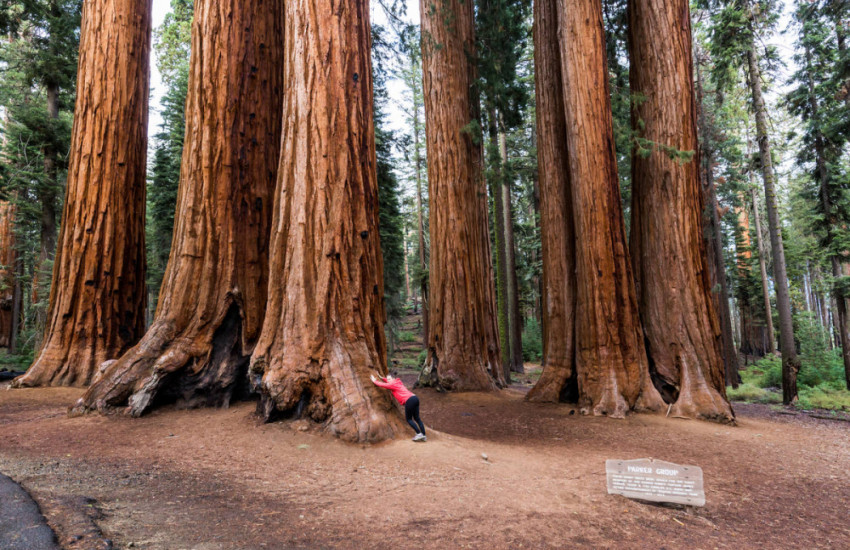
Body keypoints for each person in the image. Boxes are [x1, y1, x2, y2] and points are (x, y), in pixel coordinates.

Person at [370, 372, 427, 442]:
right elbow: (388, 382)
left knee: (409, 419)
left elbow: (383, 385)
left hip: (409, 400)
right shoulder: (398, 382)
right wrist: (382, 378)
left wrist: (374, 381)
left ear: (393, 379)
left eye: (389, 379)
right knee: (417, 418)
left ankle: (419, 433)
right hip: (415, 398)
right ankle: (424, 435)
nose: (388, 380)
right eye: (387, 379)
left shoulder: (392, 384)